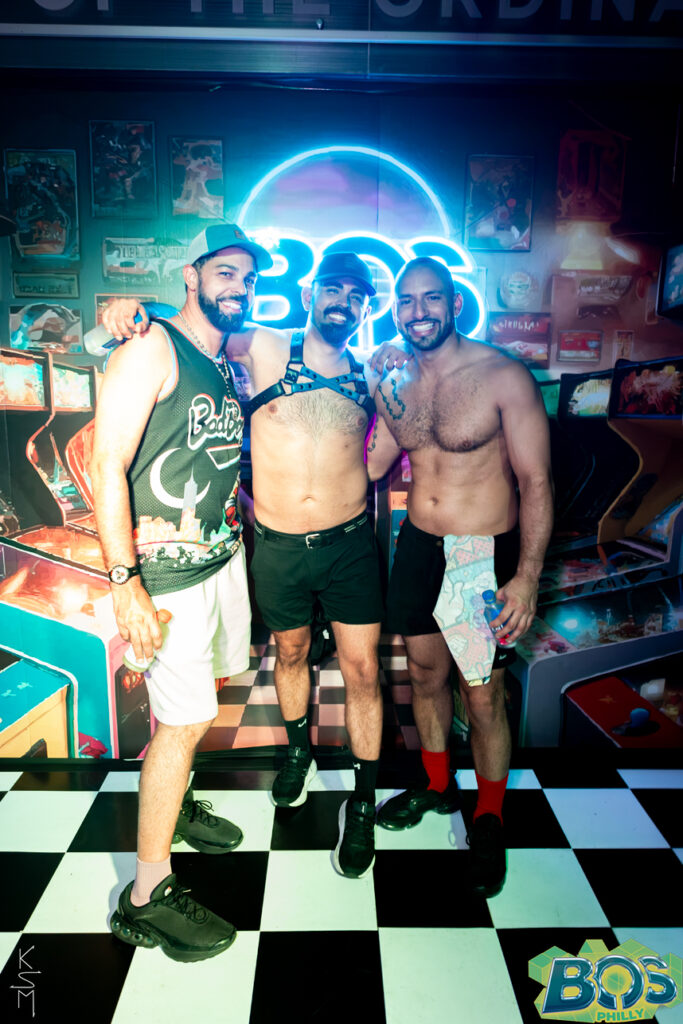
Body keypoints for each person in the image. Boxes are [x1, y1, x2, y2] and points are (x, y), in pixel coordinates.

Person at [102, 247, 395, 880]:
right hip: (279, 547)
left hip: (349, 547)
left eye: (358, 297)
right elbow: (193, 328)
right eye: (334, 289)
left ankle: (363, 802)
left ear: (366, 310)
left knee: (364, 671)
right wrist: (133, 310)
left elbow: (384, 453)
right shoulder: (264, 347)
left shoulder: (371, 374)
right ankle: (298, 754)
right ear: (312, 293)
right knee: (289, 655)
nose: (344, 303)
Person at [92, 223, 273, 960]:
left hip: (219, 560)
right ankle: (146, 896)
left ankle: (177, 802)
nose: (239, 287)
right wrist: (124, 583)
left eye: (248, 278)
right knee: (182, 720)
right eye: (225, 272)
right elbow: (105, 464)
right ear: (191, 276)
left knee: (202, 704)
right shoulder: (151, 345)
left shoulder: (218, 355)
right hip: (166, 576)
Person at [366, 256, 553, 896]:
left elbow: (536, 481)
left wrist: (526, 577)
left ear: (454, 304)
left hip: (480, 555)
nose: (418, 312)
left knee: (482, 694)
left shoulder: (503, 376)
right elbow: (378, 463)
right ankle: (438, 785)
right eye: (406, 301)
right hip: (418, 544)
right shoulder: (397, 378)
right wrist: (374, 385)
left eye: (431, 299)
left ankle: (490, 817)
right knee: (424, 676)